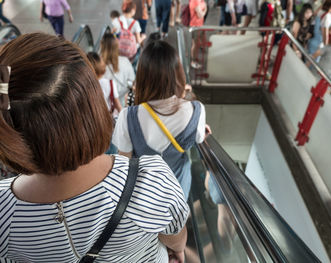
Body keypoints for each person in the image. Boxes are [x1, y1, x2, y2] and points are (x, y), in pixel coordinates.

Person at [0, 32, 188, 263]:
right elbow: (176, 238)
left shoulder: (4, 211)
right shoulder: (151, 180)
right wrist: (177, 251)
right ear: (93, 106)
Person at [113, 40, 206, 201]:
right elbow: (199, 137)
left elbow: (124, 167)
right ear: (178, 74)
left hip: (142, 199)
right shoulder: (196, 111)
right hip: (178, 193)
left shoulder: (127, 116)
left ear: (142, 76)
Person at [100, 33, 135, 107]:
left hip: (103, 106)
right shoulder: (125, 61)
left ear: (102, 47)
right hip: (121, 105)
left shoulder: (98, 65)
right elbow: (132, 82)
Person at [189, 0, 207, 69]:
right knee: (195, 44)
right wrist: (204, 10)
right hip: (195, 26)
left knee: (198, 44)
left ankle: (195, 58)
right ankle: (193, 62)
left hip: (200, 25)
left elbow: (204, 8)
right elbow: (200, 15)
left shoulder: (201, 0)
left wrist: (204, 11)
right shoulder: (195, 1)